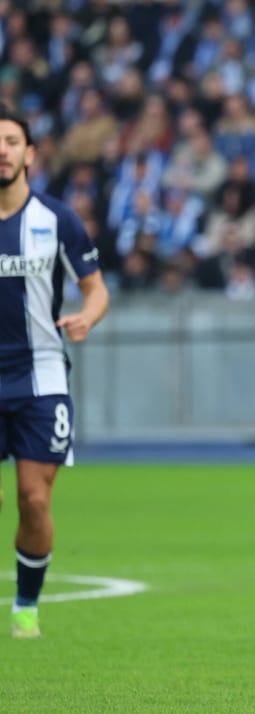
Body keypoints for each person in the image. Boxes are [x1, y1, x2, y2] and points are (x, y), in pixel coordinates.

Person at [0, 107, 110, 639]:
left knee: (34, 498)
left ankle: (25, 605)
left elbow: (96, 287)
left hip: (42, 376)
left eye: (11, 140)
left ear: (29, 154)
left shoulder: (56, 218)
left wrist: (86, 318)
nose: (2, 150)